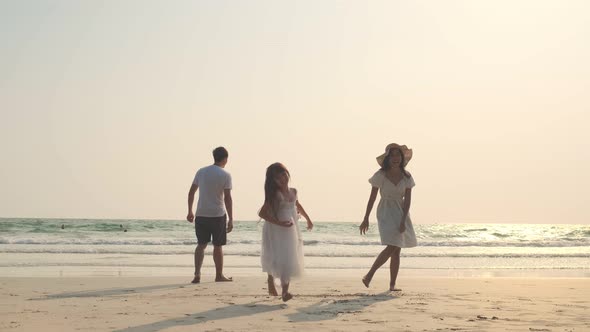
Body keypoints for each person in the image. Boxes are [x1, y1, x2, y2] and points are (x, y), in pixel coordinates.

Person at [359, 143, 417, 292]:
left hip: (401, 211)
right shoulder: (380, 175)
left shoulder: (407, 176)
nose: (395, 158)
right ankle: (369, 275)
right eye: (392, 155)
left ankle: (392, 285)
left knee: (397, 249)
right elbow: (372, 198)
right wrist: (366, 218)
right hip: (385, 211)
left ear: (402, 158)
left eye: (398, 155)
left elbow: (408, 201)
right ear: (388, 158)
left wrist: (404, 220)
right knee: (392, 245)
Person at [258, 163, 313, 302]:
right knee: (275, 256)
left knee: (289, 257)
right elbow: (262, 213)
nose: (282, 179)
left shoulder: (293, 191)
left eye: (283, 174)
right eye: (277, 177)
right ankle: (270, 279)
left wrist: (308, 219)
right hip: (275, 228)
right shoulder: (275, 194)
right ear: (273, 181)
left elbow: (297, 205)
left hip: (290, 228)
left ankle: (285, 292)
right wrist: (279, 223)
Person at [186, 146, 233, 284]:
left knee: (201, 245)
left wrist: (190, 210)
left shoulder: (201, 172)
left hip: (201, 214)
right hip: (217, 214)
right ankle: (219, 275)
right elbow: (228, 198)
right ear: (225, 159)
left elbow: (191, 192)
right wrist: (231, 218)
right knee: (218, 246)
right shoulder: (225, 175)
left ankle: (197, 274)